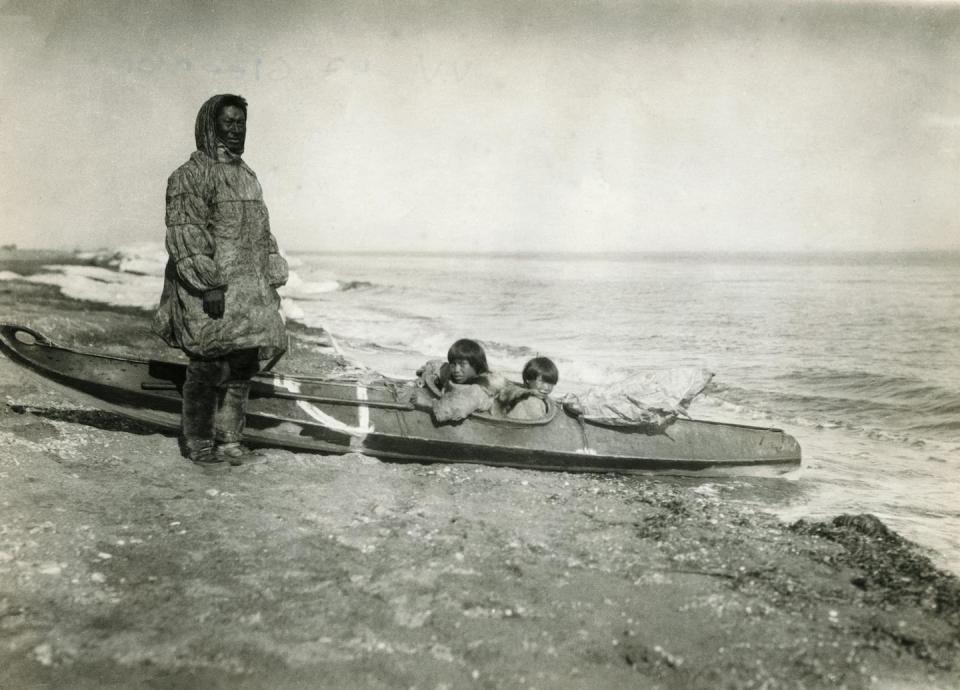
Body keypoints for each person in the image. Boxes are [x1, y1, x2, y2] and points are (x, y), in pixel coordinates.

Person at [153, 94, 289, 470]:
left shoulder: (247, 175)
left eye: (241, 122)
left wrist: (273, 272)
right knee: (207, 366)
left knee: (242, 363)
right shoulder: (190, 175)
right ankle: (199, 445)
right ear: (210, 125)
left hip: (248, 288)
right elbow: (186, 231)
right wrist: (208, 284)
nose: (236, 129)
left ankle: (230, 440)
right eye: (228, 122)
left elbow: (262, 229)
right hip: (210, 290)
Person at [418, 339, 508, 422]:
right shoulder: (454, 372)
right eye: (453, 364)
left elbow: (453, 408)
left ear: (475, 366)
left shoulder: (480, 390)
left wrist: (425, 402)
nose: (456, 370)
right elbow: (437, 366)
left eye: (462, 364)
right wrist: (425, 374)